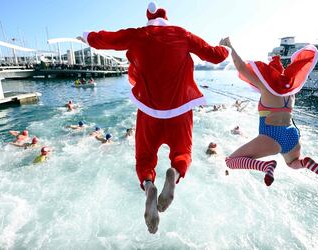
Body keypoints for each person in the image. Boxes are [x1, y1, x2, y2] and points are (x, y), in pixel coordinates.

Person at [78, 1, 228, 234]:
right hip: (180, 110)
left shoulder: (138, 35)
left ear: (148, 18)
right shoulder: (182, 34)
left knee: (145, 159)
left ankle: (149, 186)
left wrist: (88, 38)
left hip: (148, 112)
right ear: (166, 18)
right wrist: (225, 47)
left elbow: (109, 38)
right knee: (182, 153)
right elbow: (215, 56)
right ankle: (173, 173)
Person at [220, 37, 318, 186]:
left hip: (272, 136)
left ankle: (265, 166)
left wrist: (230, 47)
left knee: (230, 162)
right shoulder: (291, 93)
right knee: (293, 163)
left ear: (268, 76)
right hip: (292, 135)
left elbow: (240, 67)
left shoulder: (266, 88)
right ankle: (306, 163)